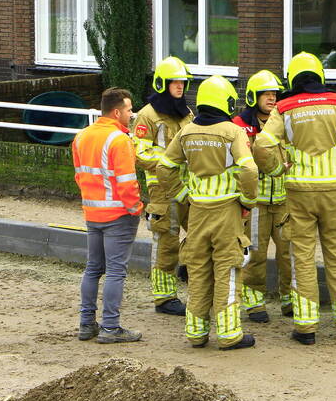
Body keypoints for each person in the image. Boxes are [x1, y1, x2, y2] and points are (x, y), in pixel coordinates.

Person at [255, 52, 336, 345]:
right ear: (320, 75)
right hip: (335, 190)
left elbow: (262, 145)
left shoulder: (284, 108)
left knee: (303, 258)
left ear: (293, 78)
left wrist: (275, 170)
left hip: (299, 193)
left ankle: (306, 328)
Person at [156, 75, 258, 350]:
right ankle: (229, 334)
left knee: (199, 270)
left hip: (197, 211)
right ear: (225, 101)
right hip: (227, 212)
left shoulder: (186, 131)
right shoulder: (232, 131)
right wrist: (248, 200)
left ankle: (196, 333)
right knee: (228, 270)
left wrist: (183, 195)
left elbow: (164, 168)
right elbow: (249, 169)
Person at [73, 87, 144, 344]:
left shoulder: (81, 137)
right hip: (118, 214)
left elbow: (79, 175)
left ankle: (86, 324)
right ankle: (111, 327)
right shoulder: (119, 140)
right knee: (116, 271)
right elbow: (127, 183)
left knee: (93, 268)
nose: (131, 113)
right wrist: (136, 208)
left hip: (92, 212)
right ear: (117, 112)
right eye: (128, 110)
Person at [133, 56, 193, 317]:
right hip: (162, 190)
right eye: (175, 82)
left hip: (188, 186)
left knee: (201, 232)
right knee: (165, 242)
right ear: (162, 84)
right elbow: (141, 153)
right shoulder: (148, 115)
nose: (180, 87)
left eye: (182, 82)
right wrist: (171, 161)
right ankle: (164, 297)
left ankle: (186, 264)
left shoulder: (186, 113)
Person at [232, 69, 292, 323]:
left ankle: (290, 299)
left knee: (289, 251)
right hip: (255, 202)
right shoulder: (239, 126)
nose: (271, 98)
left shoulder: (286, 121)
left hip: (284, 198)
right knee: (255, 252)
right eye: (265, 94)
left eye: (274, 94)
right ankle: (255, 303)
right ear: (252, 97)